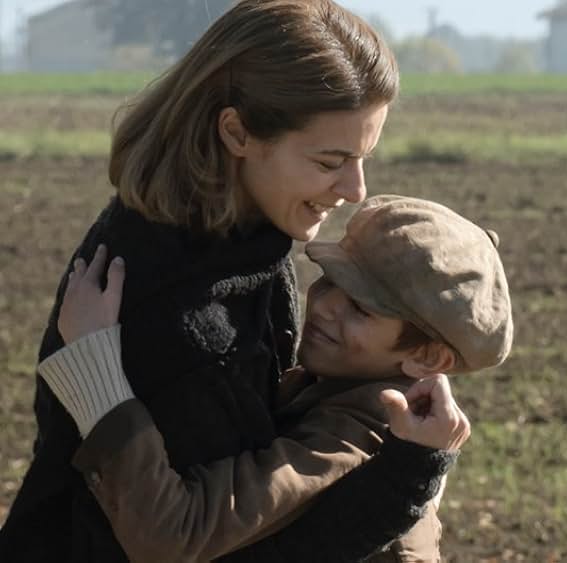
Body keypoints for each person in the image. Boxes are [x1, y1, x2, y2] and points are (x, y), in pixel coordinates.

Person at [0, 2, 472, 561]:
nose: (355, 189)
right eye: (330, 161)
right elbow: (219, 543)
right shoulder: (167, 300)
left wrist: (417, 470)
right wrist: (410, 478)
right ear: (237, 131)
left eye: (363, 157)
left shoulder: (251, 253)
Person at [35, 195, 514, 563]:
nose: (325, 306)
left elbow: (171, 535)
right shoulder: (340, 397)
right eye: (330, 281)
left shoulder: (356, 438)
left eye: (361, 309)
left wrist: (97, 374)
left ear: (427, 357)